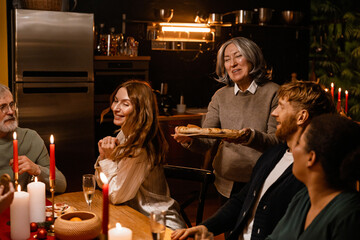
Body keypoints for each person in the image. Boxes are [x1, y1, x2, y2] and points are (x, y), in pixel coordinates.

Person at [171, 80, 336, 240]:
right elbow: (243, 200)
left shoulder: (312, 170)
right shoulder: (273, 154)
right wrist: (206, 227)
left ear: (302, 117)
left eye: (282, 107)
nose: (274, 113)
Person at [173, 37, 280, 199]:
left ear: (252, 57)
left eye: (238, 56)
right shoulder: (220, 96)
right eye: (227, 59)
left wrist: (250, 137)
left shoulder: (274, 92)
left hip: (262, 180)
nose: (232, 64)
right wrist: (189, 140)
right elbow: (207, 141)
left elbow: (277, 143)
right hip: (225, 182)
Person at [94, 80, 186, 230]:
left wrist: (109, 159)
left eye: (125, 104)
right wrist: (104, 157)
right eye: (116, 101)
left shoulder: (141, 147)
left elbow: (115, 196)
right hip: (133, 216)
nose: (115, 108)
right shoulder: (124, 135)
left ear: (141, 110)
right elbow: (104, 185)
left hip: (159, 225)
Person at [266, 114, 360, 240]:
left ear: (311, 158)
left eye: (298, 143)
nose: (293, 150)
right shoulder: (303, 197)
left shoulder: (350, 215)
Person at [0, 84, 67, 193]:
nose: (11, 111)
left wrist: (37, 170)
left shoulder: (30, 138)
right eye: (2, 107)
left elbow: (61, 185)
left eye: (12, 105)